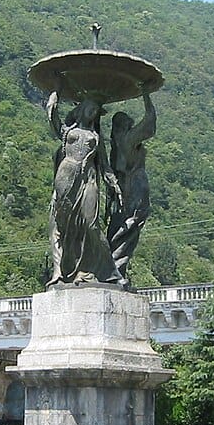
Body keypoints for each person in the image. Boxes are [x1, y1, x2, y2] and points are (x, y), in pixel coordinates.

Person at [45, 85, 124, 287]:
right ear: (82, 108)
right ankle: (68, 270)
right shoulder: (67, 131)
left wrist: (114, 184)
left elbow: (105, 165)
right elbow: (52, 117)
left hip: (87, 179)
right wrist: (55, 92)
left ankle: (107, 271)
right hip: (66, 174)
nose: (93, 112)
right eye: (91, 108)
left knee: (91, 224)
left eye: (96, 111)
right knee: (65, 224)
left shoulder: (96, 137)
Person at [107, 89, 156, 281]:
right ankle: (115, 268)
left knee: (121, 225)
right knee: (129, 226)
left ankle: (112, 267)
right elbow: (150, 123)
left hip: (123, 189)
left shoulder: (115, 146)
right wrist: (146, 95)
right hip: (134, 187)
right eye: (130, 124)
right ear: (124, 127)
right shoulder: (127, 140)